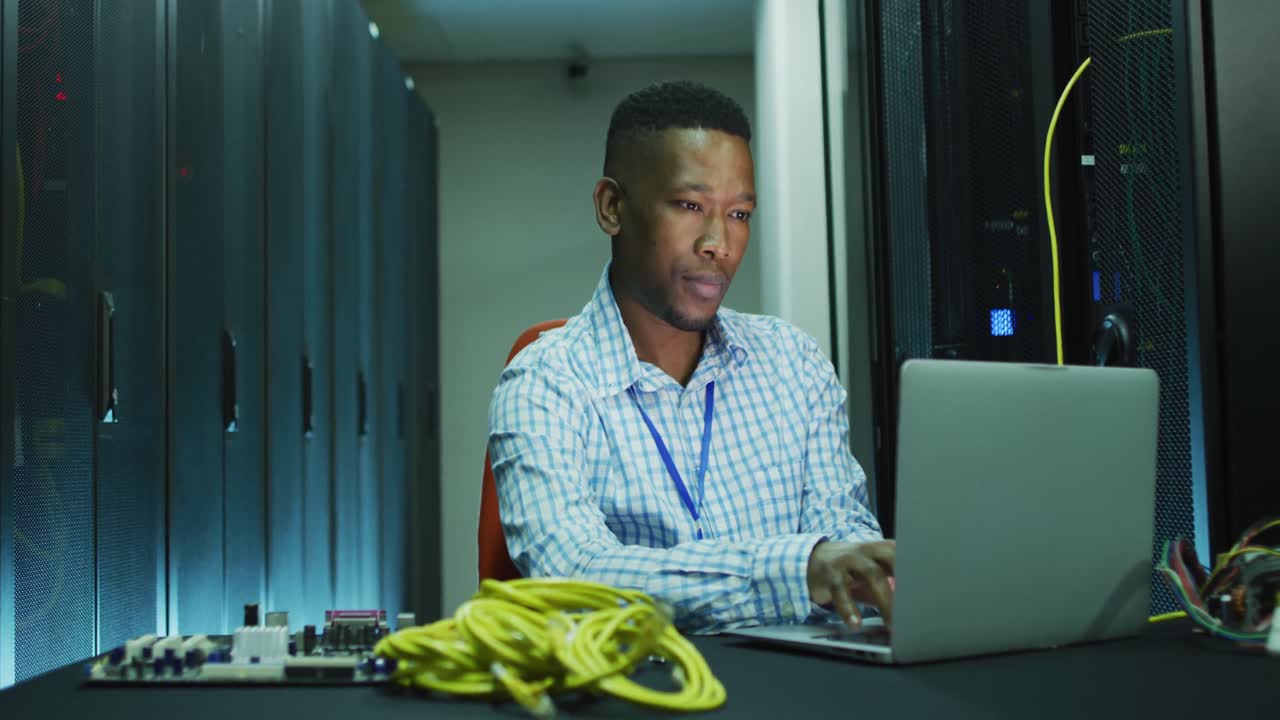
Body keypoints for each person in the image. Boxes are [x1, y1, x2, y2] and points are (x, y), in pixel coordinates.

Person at [487, 80, 894, 633]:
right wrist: (797, 569)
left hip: (800, 686)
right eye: (689, 205)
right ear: (612, 207)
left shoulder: (793, 363)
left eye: (740, 215)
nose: (718, 243)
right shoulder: (543, 381)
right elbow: (575, 574)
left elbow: (845, 538)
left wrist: (865, 570)